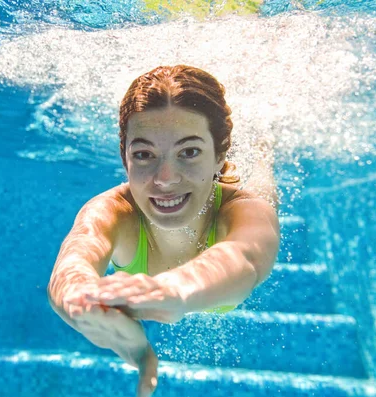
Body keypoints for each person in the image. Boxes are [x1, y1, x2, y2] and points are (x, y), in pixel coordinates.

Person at [47, 65, 280, 397]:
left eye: (189, 152)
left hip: (234, 208)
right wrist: (80, 301)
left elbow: (247, 257)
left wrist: (175, 289)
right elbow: (76, 258)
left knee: (263, 189)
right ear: (125, 159)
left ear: (220, 155)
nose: (165, 179)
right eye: (144, 155)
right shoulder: (112, 210)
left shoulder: (244, 209)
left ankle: (263, 152)